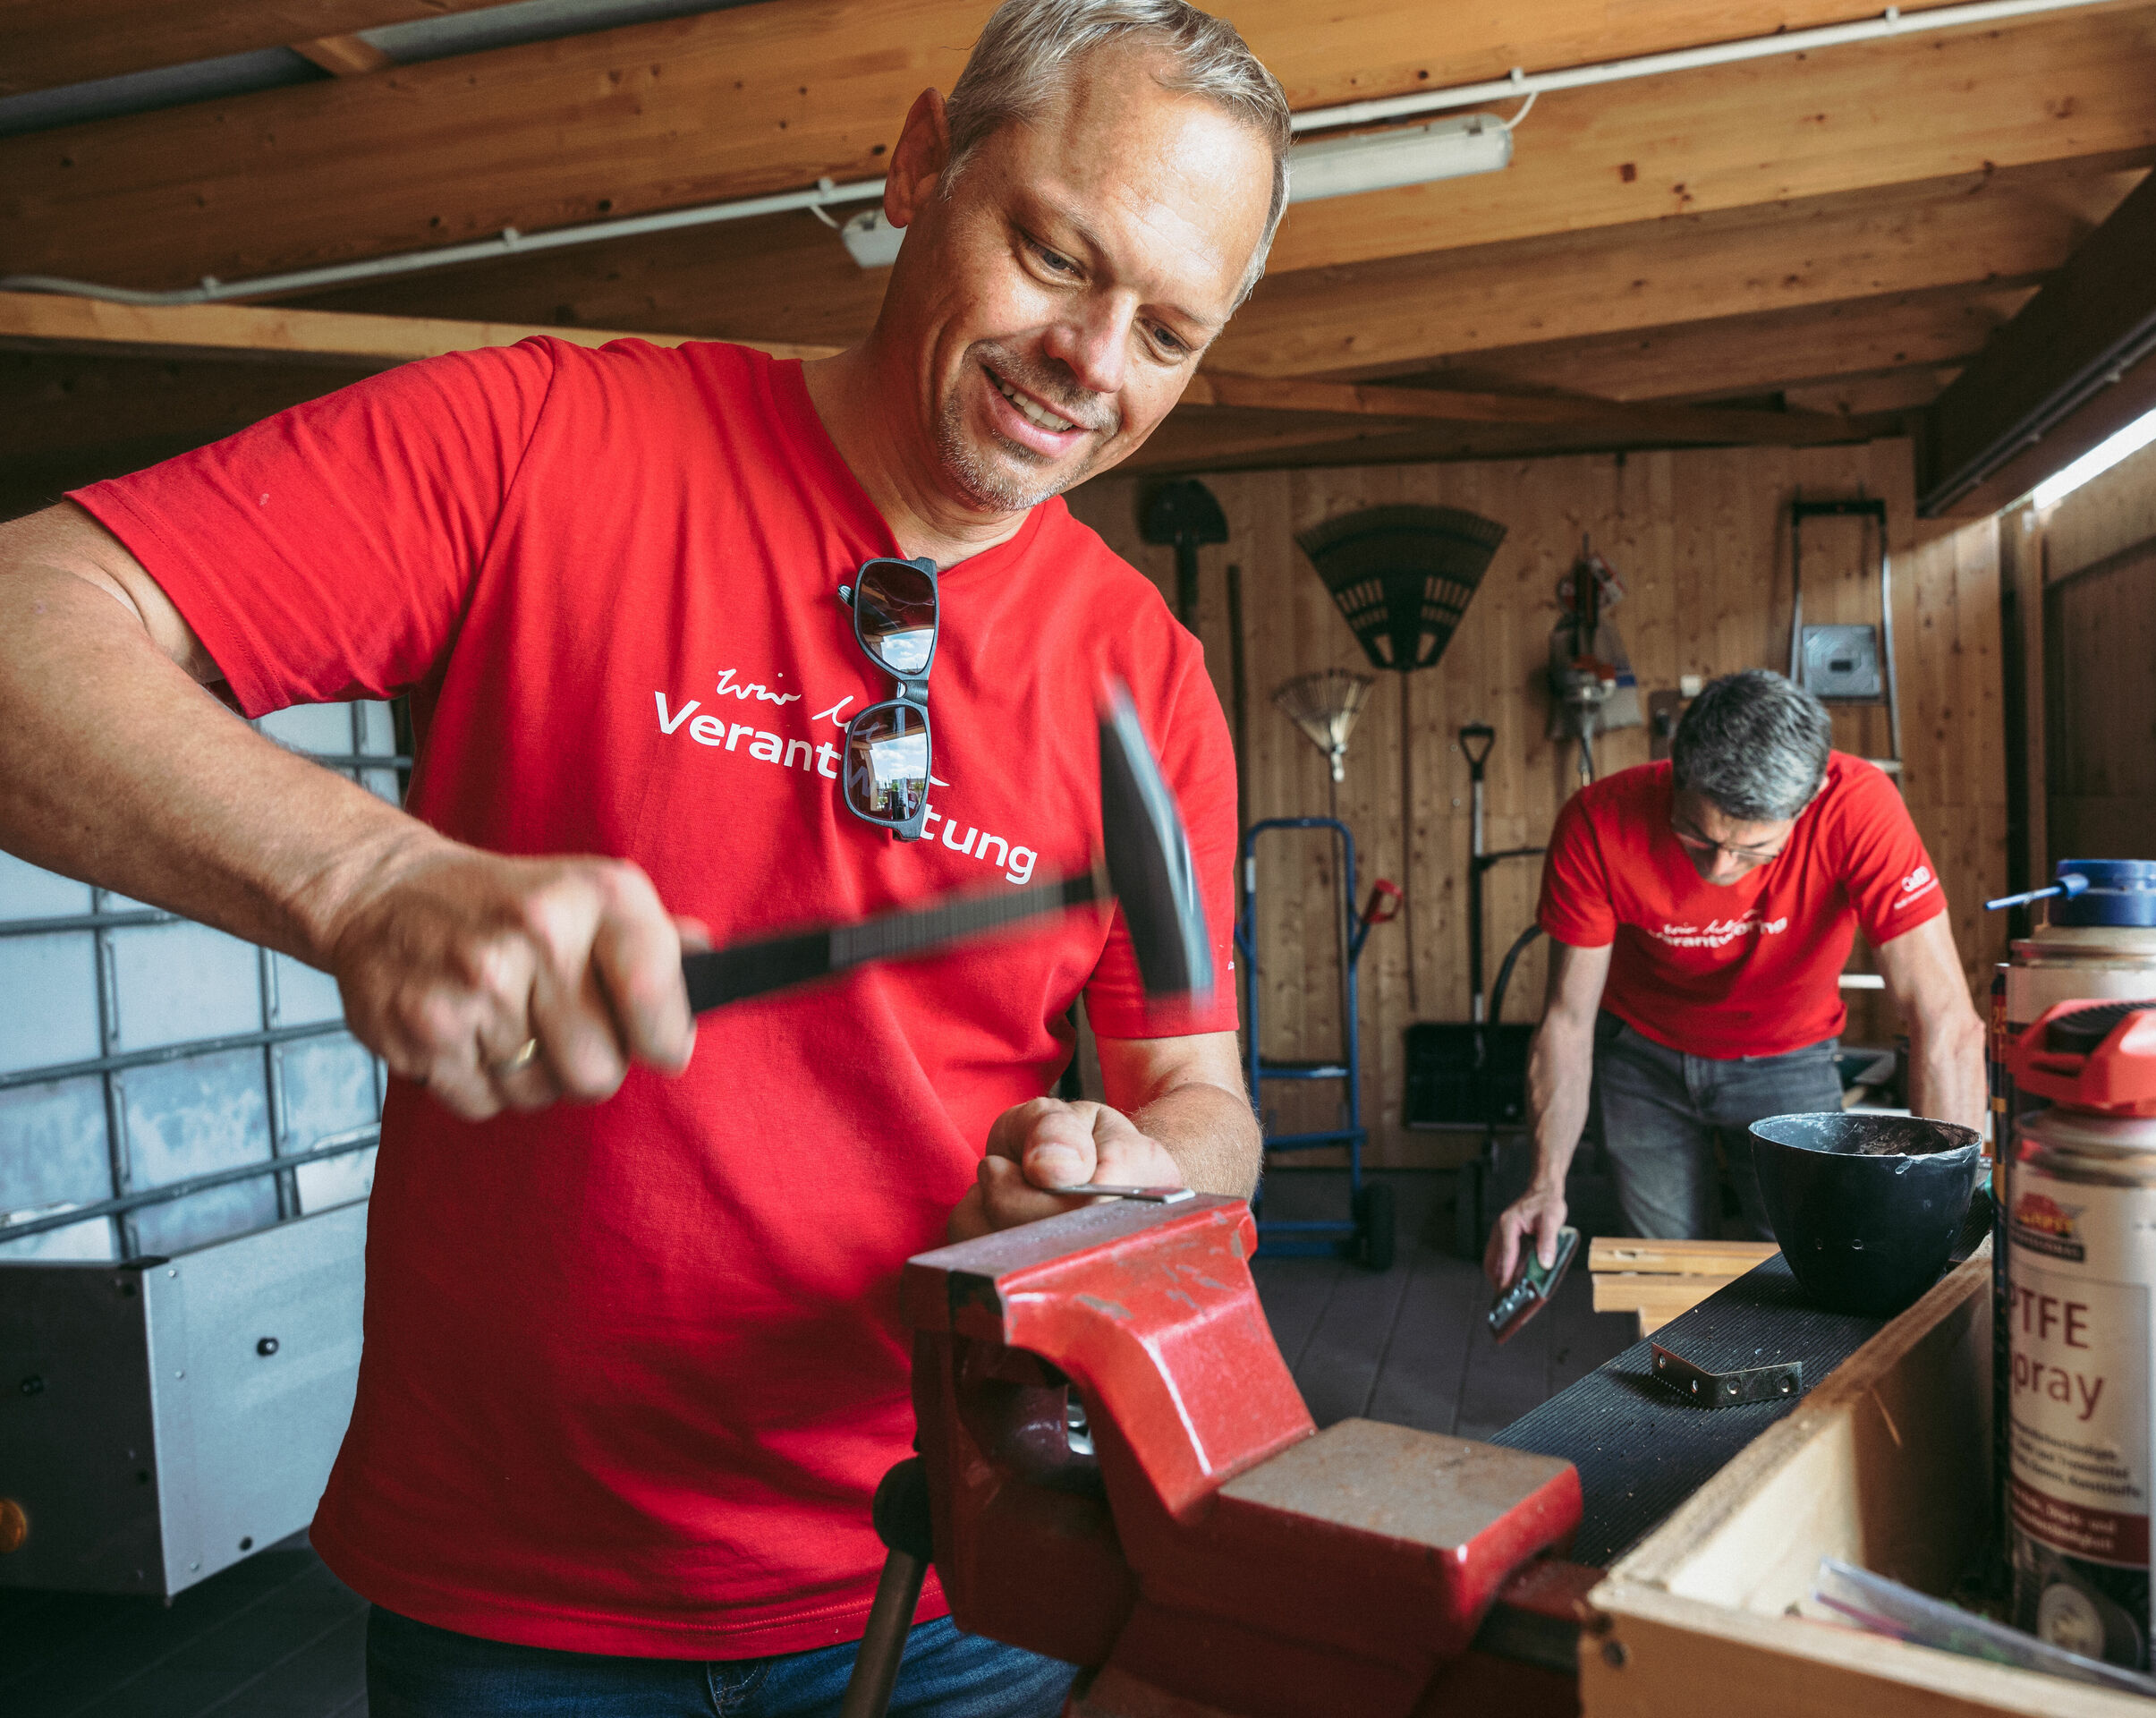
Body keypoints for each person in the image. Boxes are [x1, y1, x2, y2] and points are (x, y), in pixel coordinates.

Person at [0, 3, 1289, 1713]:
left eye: (1171, 335)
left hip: (952, 1558)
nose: (1095, 360)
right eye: (1059, 256)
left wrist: (1137, 1180)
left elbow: (1203, 1096)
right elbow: (27, 621)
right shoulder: (546, 445)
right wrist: (367, 881)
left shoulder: (1145, 677)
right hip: (521, 1605)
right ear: (921, 165)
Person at [1487, 669, 1986, 1288]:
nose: (1721, 867)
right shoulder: (1597, 822)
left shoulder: (1860, 804)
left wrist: (1955, 1209)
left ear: (1806, 805)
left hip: (1788, 1056)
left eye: (1753, 851)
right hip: (1642, 1059)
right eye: (1695, 836)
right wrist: (1545, 1183)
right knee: (1663, 1280)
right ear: (1676, 769)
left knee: (1811, 1270)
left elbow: (1944, 1021)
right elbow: (1566, 1020)